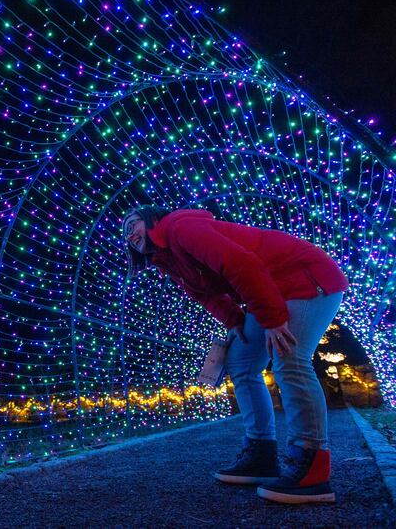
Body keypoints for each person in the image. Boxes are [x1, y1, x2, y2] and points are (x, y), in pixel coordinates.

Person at [123, 206, 348, 504]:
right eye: (124, 233)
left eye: (132, 224)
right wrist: (235, 322)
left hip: (305, 279)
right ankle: (261, 454)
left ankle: (312, 466)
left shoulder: (181, 228)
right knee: (241, 361)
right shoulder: (167, 259)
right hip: (270, 288)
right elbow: (205, 294)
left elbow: (240, 263)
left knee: (289, 359)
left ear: (153, 219)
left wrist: (271, 317)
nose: (129, 235)